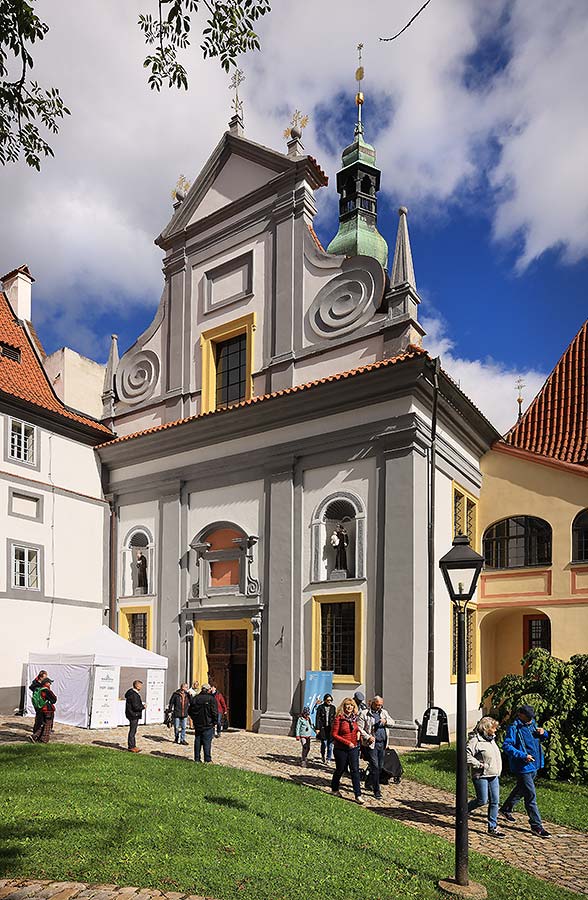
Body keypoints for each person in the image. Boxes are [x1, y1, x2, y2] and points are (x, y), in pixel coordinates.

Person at [500, 704, 550, 838]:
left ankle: (505, 809)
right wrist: (523, 756)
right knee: (530, 795)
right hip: (523, 766)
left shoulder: (532, 724)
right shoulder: (514, 727)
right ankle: (536, 826)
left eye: (531, 718)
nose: (529, 720)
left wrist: (543, 733)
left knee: (521, 789)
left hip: (535, 764)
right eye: (527, 717)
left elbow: (543, 738)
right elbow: (507, 746)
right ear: (520, 714)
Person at [466, 716, 505, 838]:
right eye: (493, 728)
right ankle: (463, 810)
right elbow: (466, 756)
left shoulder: (491, 740)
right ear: (486, 728)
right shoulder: (475, 741)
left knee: (495, 801)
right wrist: (479, 765)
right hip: (481, 775)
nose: (495, 730)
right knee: (482, 800)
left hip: (494, 775)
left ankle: (492, 827)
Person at [358, 695, 395, 800]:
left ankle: (369, 782)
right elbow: (360, 728)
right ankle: (376, 790)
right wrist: (368, 737)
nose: (379, 707)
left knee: (379, 767)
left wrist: (386, 722)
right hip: (371, 744)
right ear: (372, 703)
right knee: (374, 766)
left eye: (380, 705)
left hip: (382, 744)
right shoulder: (364, 713)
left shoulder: (384, 713)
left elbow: (393, 722)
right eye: (377, 705)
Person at [330, 697, 364, 804]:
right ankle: (334, 789)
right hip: (341, 749)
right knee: (340, 769)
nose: (349, 707)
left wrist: (358, 733)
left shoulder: (354, 719)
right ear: (343, 707)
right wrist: (347, 742)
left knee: (355, 770)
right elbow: (334, 734)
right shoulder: (339, 719)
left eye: (351, 705)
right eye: (347, 705)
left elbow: (356, 729)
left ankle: (358, 795)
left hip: (353, 748)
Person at [189, 683, 218, 762]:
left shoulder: (196, 698)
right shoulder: (211, 699)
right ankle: (207, 759)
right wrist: (215, 722)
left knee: (197, 741)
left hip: (198, 724)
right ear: (208, 690)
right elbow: (214, 712)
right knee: (207, 742)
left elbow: (190, 711)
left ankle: (197, 759)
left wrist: (194, 719)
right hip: (208, 724)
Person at [30, 677, 57, 744]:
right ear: (46, 683)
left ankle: (35, 736)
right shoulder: (46, 690)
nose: (50, 684)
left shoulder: (38, 690)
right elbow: (54, 699)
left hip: (40, 709)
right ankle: (44, 740)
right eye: (49, 683)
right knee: (47, 725)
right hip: (47, 710)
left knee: (42, 724)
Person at [124, 679, 145, 753]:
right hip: (133, 714)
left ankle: (133, 745)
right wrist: (143, 707)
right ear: (137, 686)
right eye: (140, 685)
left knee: (133, 730)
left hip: (131, 714)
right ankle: (131, 746)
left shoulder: (132, 693)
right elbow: (136, 706)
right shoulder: (134, 694)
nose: (141, 687)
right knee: (132, 731)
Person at [315, 693, 335, 763]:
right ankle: (323, 755)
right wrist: (317, 728)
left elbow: (334, 718)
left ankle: (328, 758)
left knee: (330, 745)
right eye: (327, 700)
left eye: (330, 700)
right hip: (323, 728)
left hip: (330, 729)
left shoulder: (333, 708)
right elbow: (317, 718)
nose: (329, 701)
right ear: (325, 700)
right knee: (324, 743)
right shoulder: (320, 707)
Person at [29, 669, 48, 739]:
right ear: (41, 677)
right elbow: (32, 688)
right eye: (45, 677)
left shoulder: (37, 683)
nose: (46, 679)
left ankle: (37, 733)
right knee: (40, 718)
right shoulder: (37, 684)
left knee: (39, 718)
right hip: (38, 703)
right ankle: (36, 734)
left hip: (39, 702)